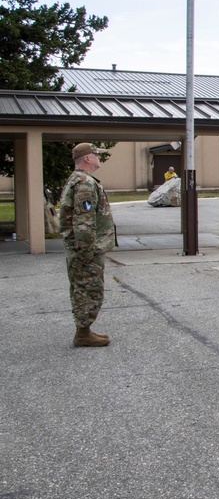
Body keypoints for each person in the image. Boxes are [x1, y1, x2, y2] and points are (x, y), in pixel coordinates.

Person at [60, 143, 117, 348]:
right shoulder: (84, 182)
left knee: (81, 288)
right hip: (85, 251)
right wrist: (86, 252)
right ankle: (83, 333)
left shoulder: (77, 179)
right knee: (88, 289)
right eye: (95, 154)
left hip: (80, 249)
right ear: (87, 158)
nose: (98, 157)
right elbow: (83, 222)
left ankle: (84, 330)